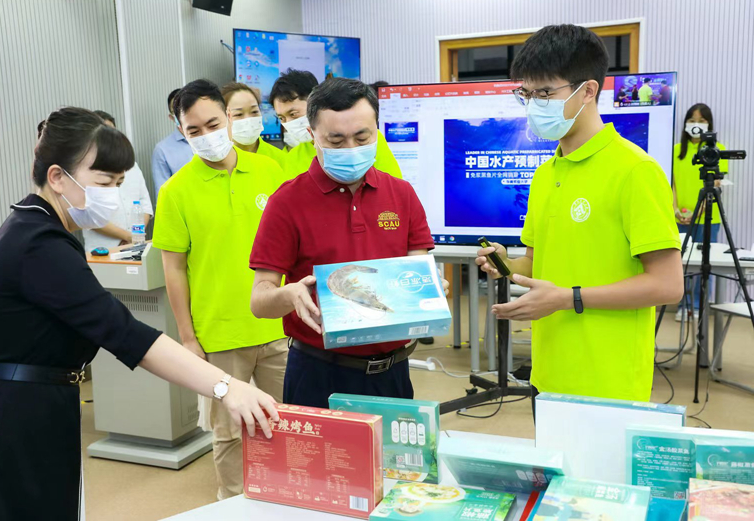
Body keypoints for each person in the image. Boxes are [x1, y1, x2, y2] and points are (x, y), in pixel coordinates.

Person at [0, 108, 279, 521]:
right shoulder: (38, 244)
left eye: (119, 184)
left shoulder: (36, 227)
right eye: (104, 183)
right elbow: (125, 333)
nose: (113, 196)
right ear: (57, 177)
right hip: (11, 419)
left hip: (29, 408)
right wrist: (226, 387)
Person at [475, 25, 683, 406]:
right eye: (527, 94)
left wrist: (567, 299)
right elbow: (540, 263)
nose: (534, 105)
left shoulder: (635, 170)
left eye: (544, 93)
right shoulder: (545, 174)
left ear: (588, 91)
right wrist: (506, 264)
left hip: (608, 383)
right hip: (547, 375)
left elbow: (668, 285)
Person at [249, 78, 447, 409]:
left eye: (362, 137)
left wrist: (428, 287)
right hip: (317, 372)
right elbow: (259, 301)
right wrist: (289, 295)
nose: (351, 149)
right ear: (312, 135)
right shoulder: (286, 202)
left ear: (377, 131)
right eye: (336, 140)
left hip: (393, 371)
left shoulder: (402, 194)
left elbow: (418, 271)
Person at [153, 79, 287, 501]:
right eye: (193, 130)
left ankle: (287, 502)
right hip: (219, 334)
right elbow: (174, 269)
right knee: (229, 435)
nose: (206, 135)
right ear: (181, 131)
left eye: (213, 124)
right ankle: (232, 504)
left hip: (279, 326)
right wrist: (188, 339)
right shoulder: (176, 191)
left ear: (228, 117)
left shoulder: (271, 170)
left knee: (287, 424)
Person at [270, 69, 403, 180]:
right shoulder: (293, 158)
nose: (288, 123)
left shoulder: (369, 141)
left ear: (314, 103)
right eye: (282, 118)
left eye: (293, 114)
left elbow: (392, 188)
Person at [672, 103, 729, 321]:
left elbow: (715, 184)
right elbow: (671, 183)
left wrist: (698, 212)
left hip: (707, 218)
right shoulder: (676, 150)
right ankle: (683, 305)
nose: (696, 125)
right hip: (679, 217)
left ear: (709, 124)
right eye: (692, 120)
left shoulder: (717, 150)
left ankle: (698, 305)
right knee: (681, 263)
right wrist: (675, 210)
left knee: (705, 262)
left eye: (702, 121)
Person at [83, 110, 153, 252]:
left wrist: (135, 236)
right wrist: (126, 236)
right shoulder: (86, 171)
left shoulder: (133, 166)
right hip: (103, 248)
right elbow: (87, 215)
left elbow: (145, 205)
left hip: (135, 244)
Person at [220, 82, 286, 169]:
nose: (248, 119)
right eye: (239, 114)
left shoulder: (280, 159)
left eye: (254, 112)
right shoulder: (219, 161)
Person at [151, 88, 195, 199]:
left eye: (186, 107)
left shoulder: (209, 138)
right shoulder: (162, 150)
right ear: (171, 117)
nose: (183, 113)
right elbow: (162, 194)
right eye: (177, 110)